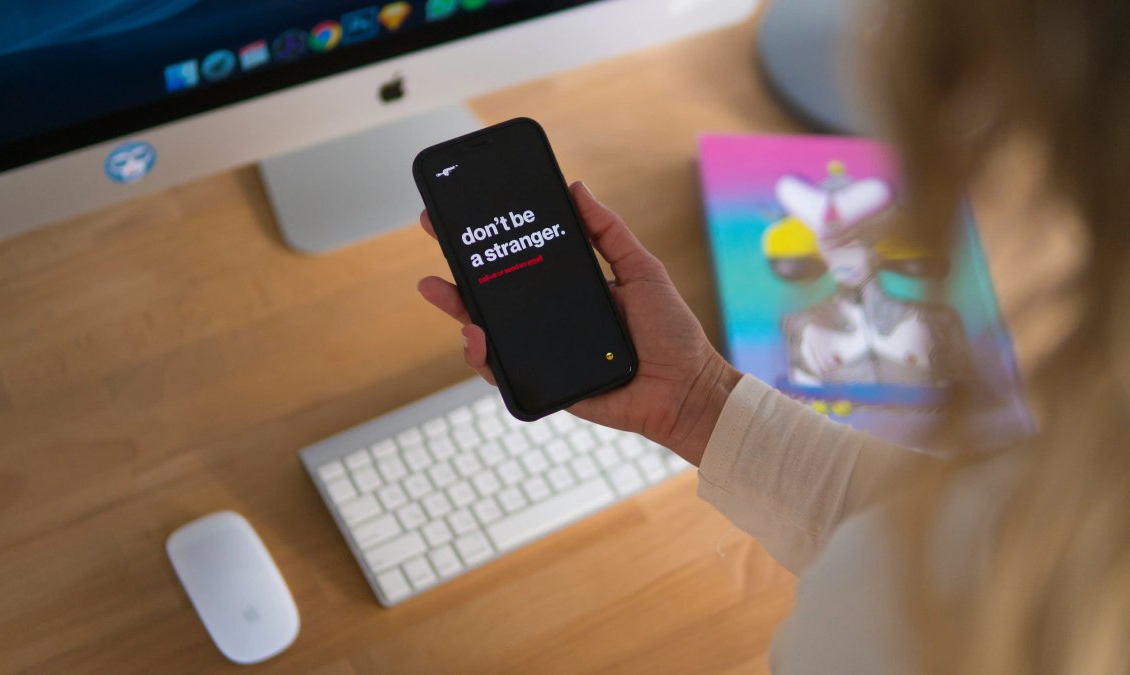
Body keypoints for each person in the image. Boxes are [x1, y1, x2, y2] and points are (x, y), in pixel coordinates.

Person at [417, 0, 1129, 671]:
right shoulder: (1061, 502)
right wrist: (699, 400)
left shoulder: (919, 625)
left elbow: (938, 552)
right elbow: (951, 527)